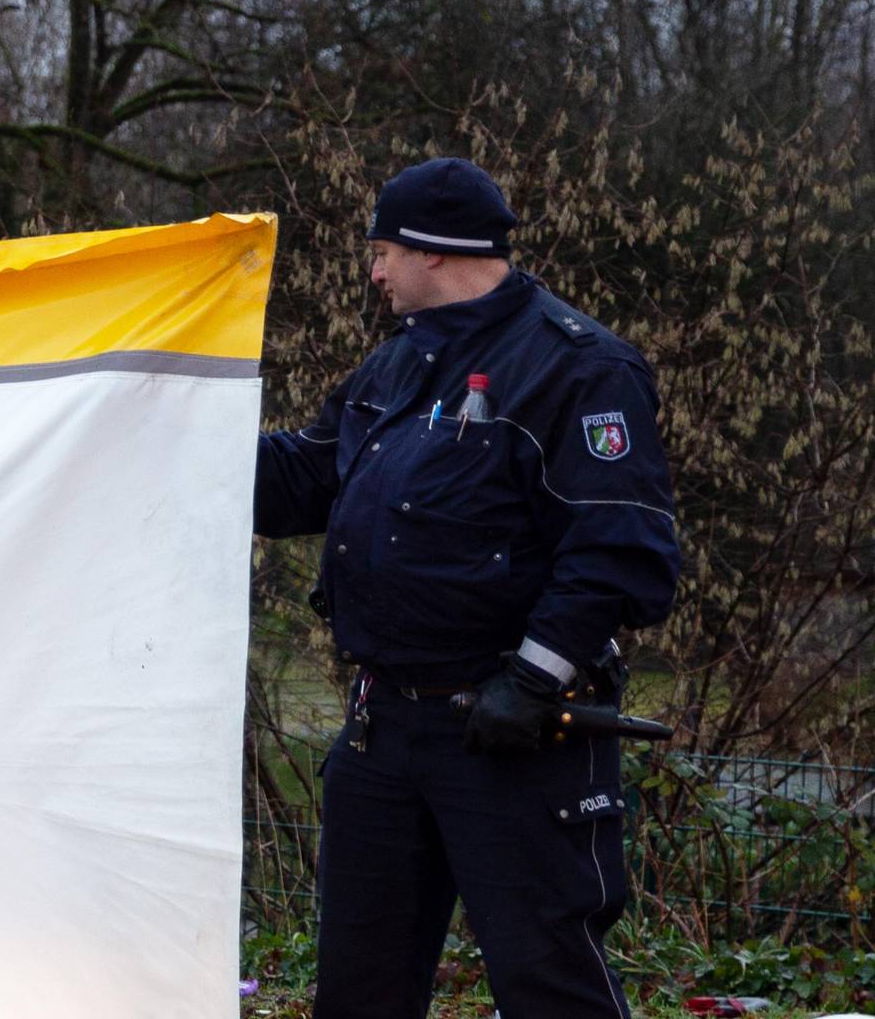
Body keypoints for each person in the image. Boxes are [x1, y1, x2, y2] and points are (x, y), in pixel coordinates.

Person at [254, 157, 682, 1018]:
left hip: (513, 735)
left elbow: (621, 549)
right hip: (384, 731)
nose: (373, 272)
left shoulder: (580, 370)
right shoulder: (397, 366)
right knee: (359, 984)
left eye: (381, 252)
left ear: (434, 251)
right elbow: (308, 476)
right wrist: (186, 434)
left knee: (547, 977)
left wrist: (531, 680)